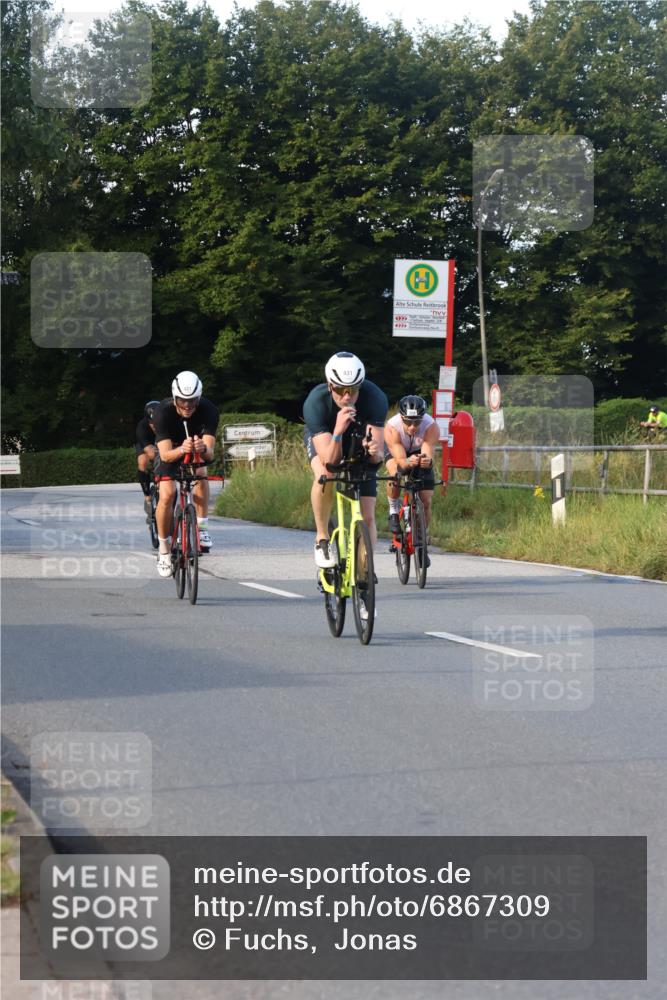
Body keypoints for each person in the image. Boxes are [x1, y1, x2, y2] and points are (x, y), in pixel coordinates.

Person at [303, 351, 388, 569]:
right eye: (341, 390)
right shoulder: (315, 403)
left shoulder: (375, 398)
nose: (347, 397)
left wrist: (373, 450)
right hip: (328, 438)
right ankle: (322, 538)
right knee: (325, 475)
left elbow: (377, 458)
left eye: (353, 390)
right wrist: (338, 431)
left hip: (358, 437)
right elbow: (330, 461)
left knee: (368, 516)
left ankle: (364, 572)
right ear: (330, 386)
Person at [153, 371, 219, 578]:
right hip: (171, 450)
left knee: (201, 471)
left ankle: (202, 526)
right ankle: (164, 549)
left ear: (199, 398)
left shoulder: (209, 410)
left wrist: (202, 448)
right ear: (175, 398)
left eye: (192, 400)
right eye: (182, 400)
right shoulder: (162, 412)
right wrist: (182, 449)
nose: (187, 405)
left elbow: (210, 453)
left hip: (194, 449)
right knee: (167, 494)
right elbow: (165, 455)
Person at [384, 395, 439, 565]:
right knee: (394, 472)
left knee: (426, 499)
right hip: (397, 452)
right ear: (401, 418)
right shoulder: (392, 427)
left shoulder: (431, 426)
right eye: (408, 422)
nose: (413, 427)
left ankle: (421, 540)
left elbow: (428, 452)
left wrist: (426, 461)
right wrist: (407, 462)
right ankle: (393, 511)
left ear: (423, 418)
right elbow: (401, 460)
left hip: (418, 451)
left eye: (417, 422)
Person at [135, 401, 160, 516]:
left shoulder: (168, 422)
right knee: (143, 461)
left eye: (157, 422)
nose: (154, 425)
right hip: (146, 444)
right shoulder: (142, 427)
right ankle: (147, 496)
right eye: (151, 422)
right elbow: (150, 453)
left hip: (162, 443)